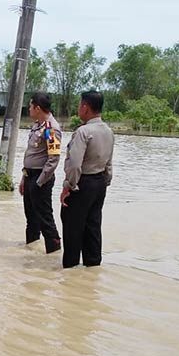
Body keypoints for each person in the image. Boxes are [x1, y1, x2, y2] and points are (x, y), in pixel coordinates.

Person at [59, 90, 115, 268]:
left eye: (79, 105)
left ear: (85, 107)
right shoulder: (108, 131)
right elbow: (109, 162)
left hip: (82, 183)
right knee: (93, 226)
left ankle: (70, 267)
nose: (78, 108)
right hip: (100, 183)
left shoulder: (83, 132)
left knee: (72, 227)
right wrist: (105, 182)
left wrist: (68, 186)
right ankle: (92, 266)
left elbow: (75, 165)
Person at [19, 92, 62, 253]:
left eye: (30, 106)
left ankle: (54, 249)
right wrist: (24, 178)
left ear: (37, 108)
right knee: (31, 217)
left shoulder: (51, 129)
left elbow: (53, 159)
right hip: (30, 175)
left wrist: (39, 182)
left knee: (44, 217)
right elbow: (31, 155)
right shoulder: (38, 125)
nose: (28, 109)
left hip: (41, 179)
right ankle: (31, 249)